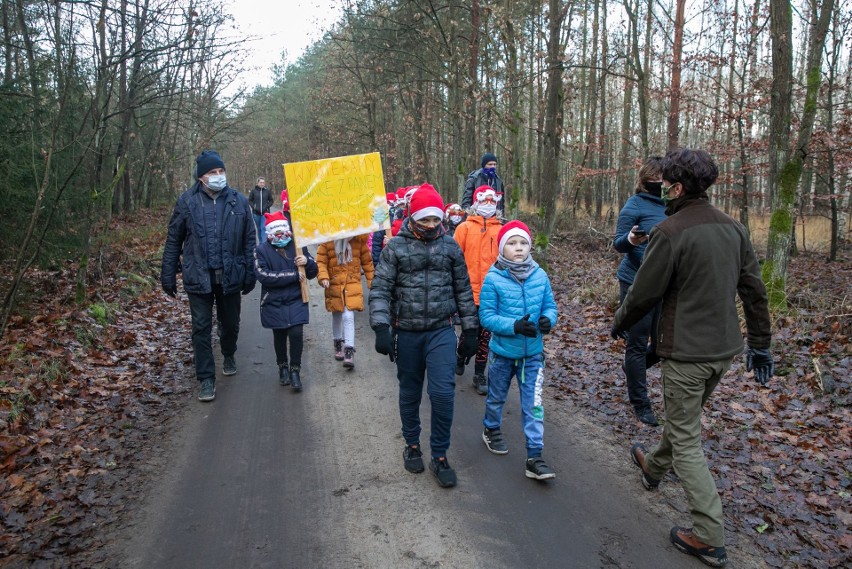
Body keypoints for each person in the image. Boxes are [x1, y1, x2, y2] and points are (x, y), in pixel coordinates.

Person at [611, 148, 773, 568]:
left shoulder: (671, 231)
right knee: (683, 420)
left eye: (666, 184)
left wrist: (620, 321)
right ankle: (653, 468)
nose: (661, 189)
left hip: (687, 353)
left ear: (679, 187)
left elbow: (644, 292)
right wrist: (760, 343)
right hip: (722, 352)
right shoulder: (733, 228)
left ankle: (708, 535)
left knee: (686, 437)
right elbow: (754, 290)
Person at [369, 183, 479, 488]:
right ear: (412, 217)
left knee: (443, 394)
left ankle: (440, 454)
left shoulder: (450, 247)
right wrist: (381, 327)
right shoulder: (395, 248)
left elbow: (463, 291)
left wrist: (470, 329)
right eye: (424, 220)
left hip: (441, 330)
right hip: (407, 332)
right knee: (410, 391)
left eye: (435, 219)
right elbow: (380, 290)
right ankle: (412, 444)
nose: (431, 225)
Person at [160, 150, 256, 402]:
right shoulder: (186, 202)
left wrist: (250, 271)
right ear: (201, 176)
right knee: (201, 328)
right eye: (212, 172)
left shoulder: (238, 201)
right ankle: (206, 378)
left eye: (221, 171)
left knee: (231, 323)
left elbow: (249, 239)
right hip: (198, 276)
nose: (218, 176)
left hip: (231, 275)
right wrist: (167, 273)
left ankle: (228, 351)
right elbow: (174, 239)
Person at [478, 221, 558, 480]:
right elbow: (487, 317)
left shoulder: (540, 275)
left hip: (532, 355)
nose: (519, 248)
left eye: (523, 243)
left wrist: (548, 320)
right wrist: (513, 326)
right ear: (502, 248)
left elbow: (550, 307)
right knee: (497, 397)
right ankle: (491, 428)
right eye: (512, 243)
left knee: (533, 405)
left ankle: (534, 456)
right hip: (502, 354)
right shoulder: (493, 278)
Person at [612, 156, 667, 426]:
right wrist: (631, 239)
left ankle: (632, 368)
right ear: (646, 180)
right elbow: (619, 244)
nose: (661, 182)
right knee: (637, 343)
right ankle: (641, 404)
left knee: (661, 345)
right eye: (657, 178)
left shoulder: (673, 206)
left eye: (664, 177)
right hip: (635, 281)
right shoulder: (633, 206)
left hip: (665, 284)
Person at [253, 211, 318, 392]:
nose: (282, 237)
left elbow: (312, 272)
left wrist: (308, 263)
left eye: (284, 232)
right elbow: (263, 275)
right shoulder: (261, 251)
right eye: (277, 234)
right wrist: (293, 275)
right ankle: (282, 366)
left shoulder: (298, 246)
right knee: (280, 334)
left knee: (296, 332)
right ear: (270, 234)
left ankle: (295, 370)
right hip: (273, 301)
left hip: (296, 298)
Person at [452, 186, 503, 395]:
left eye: (493, 201)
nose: (488, 204)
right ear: (476, 202)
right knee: (470, 332)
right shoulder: (464, 228)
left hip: (492, 293)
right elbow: (454, 258)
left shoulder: (501, 230)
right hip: (468, 292)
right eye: (485, 200)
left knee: (486, 336)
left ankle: (479, 373)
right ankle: (460, 354)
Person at [316, 233, 375, 369]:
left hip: (351, 283)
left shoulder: (358, 241)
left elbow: (367, 262)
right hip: (334, 284)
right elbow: (321, 262)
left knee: (348, 316)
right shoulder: (327, 242)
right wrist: (323, 277)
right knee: (336, 315)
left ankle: (349, 349)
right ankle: (338, 342)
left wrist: (372, 281)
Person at [461, 152, 505, 218]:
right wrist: (469, 215)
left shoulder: (498, 181)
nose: (493, 166)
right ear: (484, 165)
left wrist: (500, 216)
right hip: (476, 217)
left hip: (494, 218)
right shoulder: (474, 179)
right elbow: (466, 200)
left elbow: (501, 203)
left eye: (494, 164)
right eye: (490, 164)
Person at [248, 177, 274, 242]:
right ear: (257, 183)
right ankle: (260, 243)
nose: (262, 184)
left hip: (265, 213)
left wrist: (267, 206)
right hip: (256, 214)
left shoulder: (267, 191)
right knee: (259, 229)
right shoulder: (253, 191)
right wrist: (253, 207)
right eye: (261, 182)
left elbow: (271, 200)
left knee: (263, 228)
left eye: (263, 182)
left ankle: (264, 244)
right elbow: (250, 200)